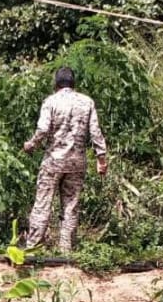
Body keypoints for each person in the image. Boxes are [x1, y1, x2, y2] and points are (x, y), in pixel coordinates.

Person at [22, 66, 109, 253]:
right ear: (73, 83)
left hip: (53, 161)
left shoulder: (51, 101)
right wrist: (101, 159)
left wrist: (31, 144)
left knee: (42, 204)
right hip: (77, 163)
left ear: (56, 83)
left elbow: (43, 129)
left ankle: (32, 249)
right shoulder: (87, 102)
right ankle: (66, 252)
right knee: (71, 206)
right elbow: (95, 132)